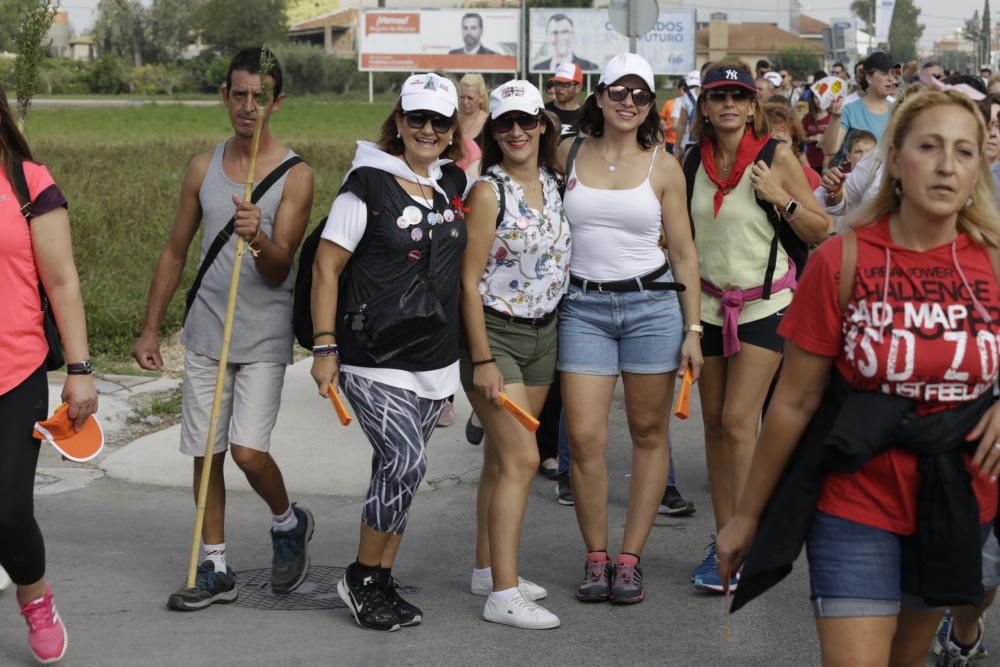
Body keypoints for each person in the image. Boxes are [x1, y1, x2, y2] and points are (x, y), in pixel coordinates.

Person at [717, 88, 1000, 667]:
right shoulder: (840, 261)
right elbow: (794, 402)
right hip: (855, 503)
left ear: (979, 167)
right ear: (895, 160)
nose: (947, 165)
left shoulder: (994, 262)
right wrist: (747, 515)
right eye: (930, 147)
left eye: (964, 151)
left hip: (957, 502)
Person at [132, 48, 316, 610]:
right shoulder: (202, 167)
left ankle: (288, 523)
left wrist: (258, 235)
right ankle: (214, 567)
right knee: (206, 451)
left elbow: (281, 266)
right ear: (224, 96)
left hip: (262, 336)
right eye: (239, 94)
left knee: (246, 452)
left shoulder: (297, 175)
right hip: (207, 332)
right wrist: (149, 329)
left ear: (276, 102)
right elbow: (173, 250)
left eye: (260, 97)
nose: (248, 106)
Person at [310, 72, 468, 632]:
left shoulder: (454, 184)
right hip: (371, 356)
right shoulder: (367, 185)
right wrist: (324, 344)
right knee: (406, 460)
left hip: (434, 359)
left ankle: (380, 580)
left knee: (395, 472)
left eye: (439, 120)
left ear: (453, 130)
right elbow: (327, 266)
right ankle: (358, 575)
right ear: (398, 122)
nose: (427, 129)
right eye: (416, 117)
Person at [558, 53, 703, 604]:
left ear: (649, 106)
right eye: (618, 91)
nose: (628, 102)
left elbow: (685, 253)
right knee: (585, 438)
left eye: (640, 95)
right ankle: (596, 556)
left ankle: (629, 560)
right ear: (598, 97)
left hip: (652, 308)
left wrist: (693, 329)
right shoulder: (567, 153)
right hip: (583, 307)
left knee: (648, 434)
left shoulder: (663, 166)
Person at [685, 63, 829, 592]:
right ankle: (723, 538)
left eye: (738, 96)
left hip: (766, 306)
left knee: (741, 421)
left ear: (752, 107)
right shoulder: (690, 163)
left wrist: (781, 198)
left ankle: (744, 545)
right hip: (707, 309)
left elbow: (820, 227)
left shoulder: (776, 155)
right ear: (704, 106)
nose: (727, 103)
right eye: (717, 95)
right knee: (716, 428)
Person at [461, 80, 570, 629]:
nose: (517, 132)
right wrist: (481, 358)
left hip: (542, 337)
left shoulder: (553, 183)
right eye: (504, 124)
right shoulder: (489, 192)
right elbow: (468, 279)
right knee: (525, 460)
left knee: (501, 460)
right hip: (497, 338)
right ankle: (503, 594)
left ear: (543, 124)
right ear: (493, 132)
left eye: (527, 121)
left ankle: (488, 567)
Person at [0, 83, 97, 665]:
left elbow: (62, 282)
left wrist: (81, 370)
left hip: (16, 370)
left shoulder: (27, 182)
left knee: (8, 510)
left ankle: (35, 599)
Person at [822, 52, 898, 161]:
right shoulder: (849, 109)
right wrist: (835, 118)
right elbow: (828, 150)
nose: (891, 79)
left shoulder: (899, 109)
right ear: (869, 78)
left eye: (893, 74)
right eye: (885, 73)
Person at [764, 101, 822, 188]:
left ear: (794, 145)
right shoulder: (746, 174)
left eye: (781, 141)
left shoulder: (809, 177)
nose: (773, 146)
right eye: (767, 140)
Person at [532, 13, 598, 72]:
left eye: (565, 32)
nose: (560, 38)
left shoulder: (590, 67)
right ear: (547, 36)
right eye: (554, 32)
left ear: (573, 35)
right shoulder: (538, 67)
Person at [546, 62, 584, 137]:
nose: (559, 88)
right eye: (557, 83)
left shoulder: (586, 116)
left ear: (578, 88)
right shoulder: (544, 112)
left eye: (566, 84)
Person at [801, 90, 831, 172]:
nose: (819, 100)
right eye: (816, 97)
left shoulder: (834, 117)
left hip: (829, 163)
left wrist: (825, 140)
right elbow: (800, 138)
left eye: (822, 97)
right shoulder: (807, 117)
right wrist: (812, 138)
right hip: (811, 162)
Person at [672, 71, 701, 155]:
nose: (691, 90)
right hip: (689, 143)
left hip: (690, 142)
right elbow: (680, 124)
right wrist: (677, 148)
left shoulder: (685, 97)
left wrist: (676, 148)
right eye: (689, 87)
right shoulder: (683, 98)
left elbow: (679, 124)